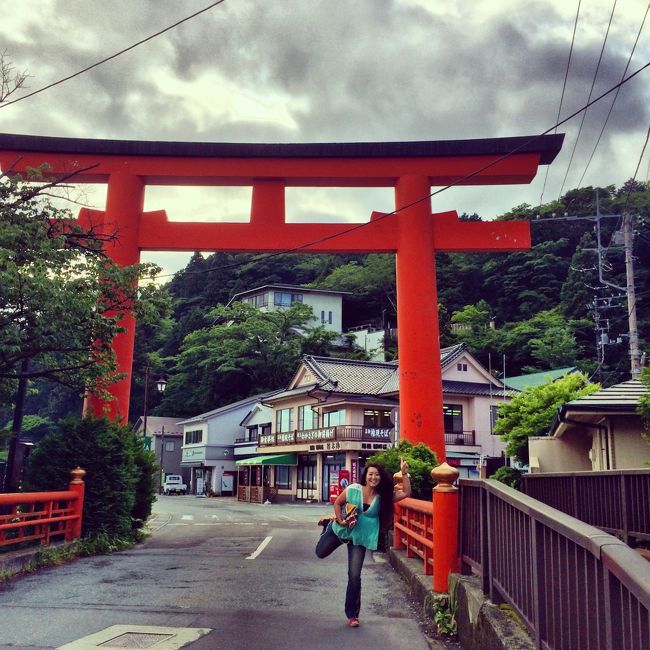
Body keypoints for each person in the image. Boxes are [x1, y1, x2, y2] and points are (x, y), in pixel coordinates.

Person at [315, 458, 411, 628]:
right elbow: (338, 502)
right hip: (341, 529)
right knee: (320, 552)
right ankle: (327, 525)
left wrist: (404, 474)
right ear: (365, 476)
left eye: (377, 475)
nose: (374, 477)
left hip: (359, 538)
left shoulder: (383, 497)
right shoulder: (353, 489)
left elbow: (406, 493)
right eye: (371, 474)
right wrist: (339, 520)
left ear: (380, 478)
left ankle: (352, 614)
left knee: (354, 575)